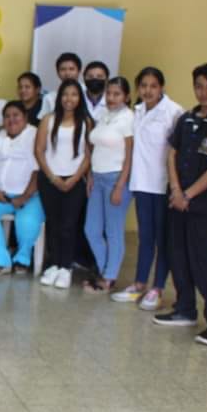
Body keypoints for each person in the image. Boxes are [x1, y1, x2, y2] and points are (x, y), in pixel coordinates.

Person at [154, 63, 207, 347]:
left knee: (205, 263)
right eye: (199, 86)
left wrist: (188, 195)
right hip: (177, 202)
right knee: (177, 256)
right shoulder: (186, 119)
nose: (204, 92)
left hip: (205, 207)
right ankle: (185, 309)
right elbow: (172, 154)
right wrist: (176, 190)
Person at [111, 67, 183, 309]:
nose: (148, 90)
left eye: (153, 86)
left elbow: (178, 152)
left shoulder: (174, 112)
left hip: (162, 185)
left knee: (163, 239)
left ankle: (157, 288)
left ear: (161, 87)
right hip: (141, 183)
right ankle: (139, 284)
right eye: (143, 85)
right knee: (145, 237)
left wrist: (176, 186)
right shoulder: (138, 111)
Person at [0, 101, 44, 275]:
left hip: (30, 195)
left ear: (25, 117)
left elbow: (39, 170)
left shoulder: (35, 135)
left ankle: (22, 258)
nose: (11, 120)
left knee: (27, 221)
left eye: (16, 115)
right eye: (7, 116)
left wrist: (24, 197)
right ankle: (1, 260)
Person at [36, 80, 92, 288]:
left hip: (74, 180)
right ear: (59, 97)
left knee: (69, 225)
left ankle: (66, 267)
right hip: (50, 179)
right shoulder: (48, 120)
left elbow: (88, 155)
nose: (69, 99)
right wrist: (53, 177)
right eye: (65, 94)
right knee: (53, 223)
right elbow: (39, 150)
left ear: (80, 98)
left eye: (74, 94)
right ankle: (54, 264)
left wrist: (75, 179)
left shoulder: (86, 122)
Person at [83, 77, 134, 293]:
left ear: (127, 97)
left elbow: (130, 155)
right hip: (97, 178)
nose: (112, 98)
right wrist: (91, 175)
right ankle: (106, 269)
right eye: (109, 93)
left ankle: (109, 276)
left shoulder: (129, 118)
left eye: (117, 94)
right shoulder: (104, 115)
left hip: (116, 179)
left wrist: (120, 186)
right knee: (91, 229)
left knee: (113, 231)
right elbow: (95, 147)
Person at [38, 52, 81, 119]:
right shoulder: (49, 98)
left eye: (71, 69)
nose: (67, 73)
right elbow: (43, 121)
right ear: (57, 72)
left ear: (79, 71)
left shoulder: (87, 93)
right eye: (63, 69)